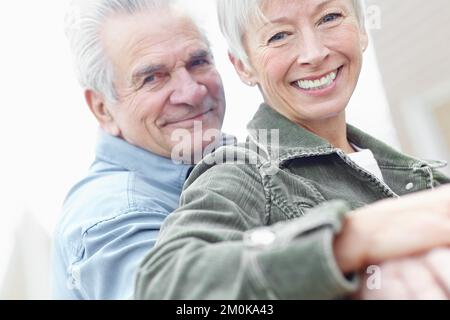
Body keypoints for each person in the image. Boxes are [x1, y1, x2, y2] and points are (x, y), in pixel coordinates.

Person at [135, 0, 450, 299]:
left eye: (329, 17)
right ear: (243, 66)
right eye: (279, 35)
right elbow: (165, 286)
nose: (314, 53)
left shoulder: (432, 176)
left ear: (362, 28)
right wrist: (351, 239)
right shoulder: (242, 172)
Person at [52, 0, 227, 299]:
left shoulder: (226, 157)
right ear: (103, 109)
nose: (192, 91)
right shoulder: (114, 219)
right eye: (152, 78)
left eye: (198, 62)